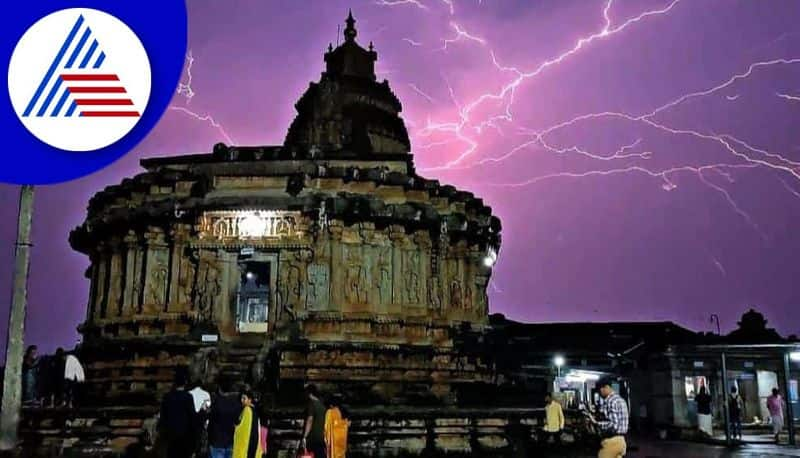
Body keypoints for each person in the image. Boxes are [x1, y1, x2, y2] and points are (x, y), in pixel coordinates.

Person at [158, 370, 197, 458]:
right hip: (184, 436)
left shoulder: (167, 397)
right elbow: (192, 418)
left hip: (171, 436)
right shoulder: (188, 397)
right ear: (185, 382)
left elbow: (163, 417)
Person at [589, 377, 628, 458]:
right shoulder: (620, 400)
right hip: (622, 441)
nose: (599, 393)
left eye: (600, 390)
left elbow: (614, 424)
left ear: (606, 387)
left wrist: (596, 423)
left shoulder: (610, 401)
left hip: (612, 441)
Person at [208, 382, 242, 458]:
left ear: (220, 389)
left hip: (217, 441)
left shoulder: (216, 403)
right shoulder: (236, 404)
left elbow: (210, 420)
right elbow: (238, 421)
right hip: (230, 441)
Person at [233, 389, 262, 458]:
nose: (242, 400)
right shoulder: (254, 410)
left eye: (244, 398)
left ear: (250, 399)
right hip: (254, 441)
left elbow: (243, 427)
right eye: (241, 398)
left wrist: (236, 427)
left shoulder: (247, 410)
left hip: (248, 442)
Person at [302, 384, 327, 458]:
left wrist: (305, 436)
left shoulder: (312, 404)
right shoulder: (322, 404)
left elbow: (310, 420)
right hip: (323, 436)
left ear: (309, 393)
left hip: (314, 437)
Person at [189, 381, 212, 457]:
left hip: (190, 423)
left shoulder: (189, 393)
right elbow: (208, 409)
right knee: (200, 444)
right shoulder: (206, 394)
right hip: (202, 423)